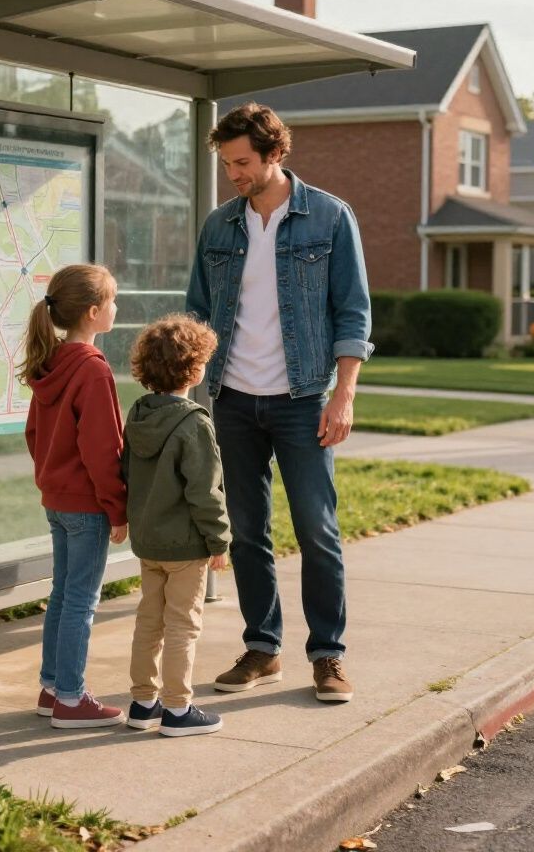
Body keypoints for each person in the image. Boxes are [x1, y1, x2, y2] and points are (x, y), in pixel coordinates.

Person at [186, 102, 373, 704]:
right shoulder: (220, 226)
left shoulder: (330, 217)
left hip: (302, 400)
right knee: (246, 532)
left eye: (242, 162)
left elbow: (353, 312)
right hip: (232, 399)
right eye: (226, 164)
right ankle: (263, 648)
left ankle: (328, 655)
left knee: (317, 530)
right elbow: (195, 313)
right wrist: (185, 395)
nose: (233, 174)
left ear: (275, 153)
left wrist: (343, 395)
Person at [21, 263, 129, 729]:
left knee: (63, 594)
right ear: (93, 312)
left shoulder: (51, 362)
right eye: (112, 300)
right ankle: (71, 698)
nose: (116, 307)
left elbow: (33, 433)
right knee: (82, 601)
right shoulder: (92, 370)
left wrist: (52, 475)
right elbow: (104, 450)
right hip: (87, 506)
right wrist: (118, 507)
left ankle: (51, 688)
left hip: (57, 500)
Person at [122, 314, 232, 737]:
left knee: (148, 621)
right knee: (182, 625)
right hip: (186, 547)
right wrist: (219, 540)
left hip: (148, 542)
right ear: (196, 367)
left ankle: (142, 702)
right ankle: (177, 709)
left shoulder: (139, 413)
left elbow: (127, 471)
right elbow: (206, 492)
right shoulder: (194, 422)